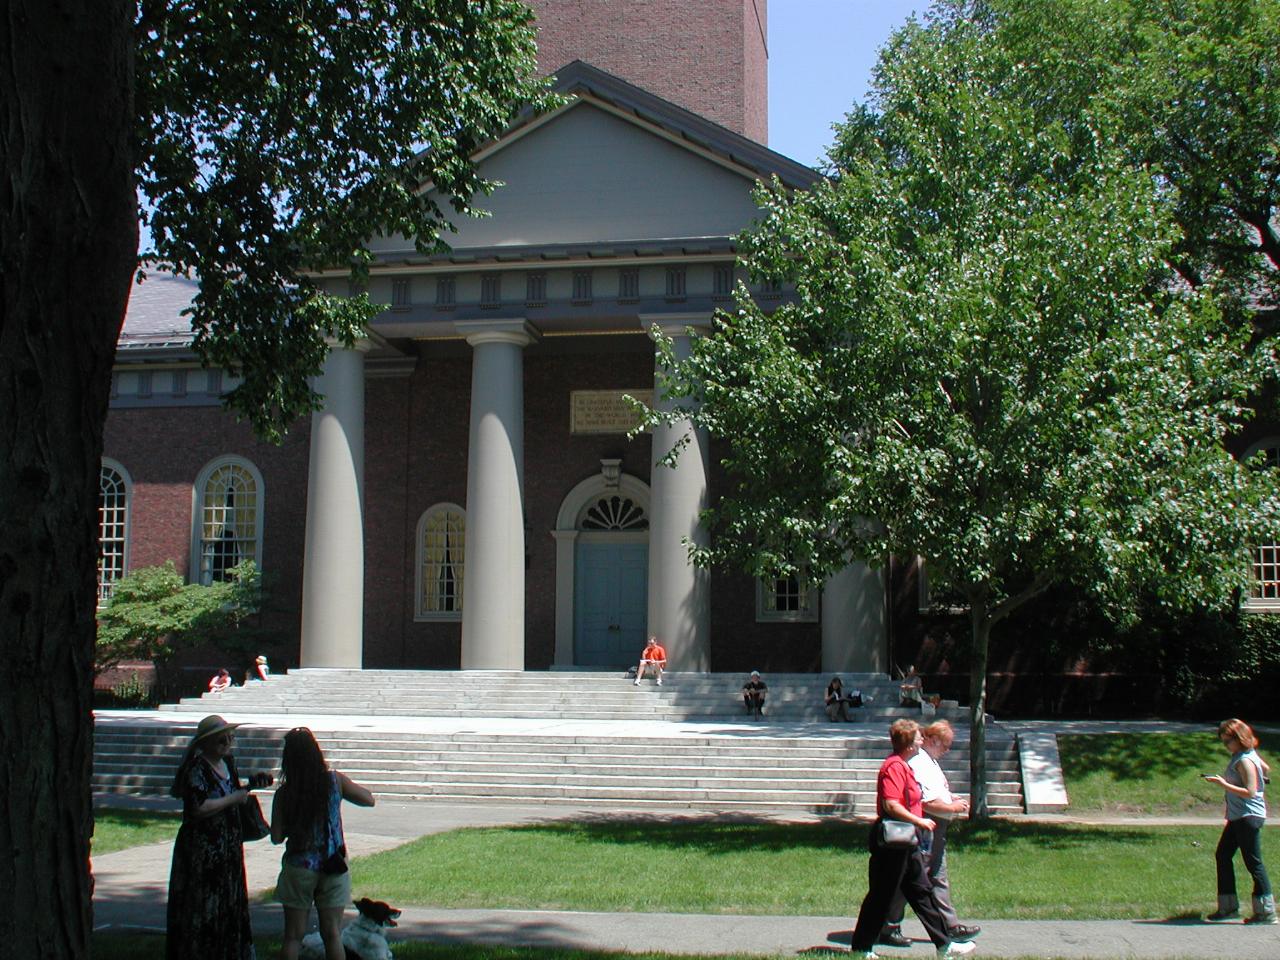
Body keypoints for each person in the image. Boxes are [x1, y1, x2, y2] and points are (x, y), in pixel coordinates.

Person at [849, 718, 975, 960]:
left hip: (907, 840)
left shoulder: (906, 765)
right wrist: (919, 821)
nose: (922, 738)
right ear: (909, 743)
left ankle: (944, 945)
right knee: (881, 895)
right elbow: (891, 804)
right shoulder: (894, 767)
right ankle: (862, 948)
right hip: (893, 841)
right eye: (918, 736)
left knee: (922, 892)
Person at [165, 714, 270, 960]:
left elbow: (232, 794)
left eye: (229, 737)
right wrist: (234, 798)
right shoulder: (196, 769)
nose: (227, 741)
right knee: (203, 907)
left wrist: (251, 786)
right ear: (206, 742)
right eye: (221, 738)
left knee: (229, 904)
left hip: (228, 849)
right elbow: (198, 808)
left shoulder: (228, 764)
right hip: (203, 853)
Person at [272, 726, 377, 960]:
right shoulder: (334, 782)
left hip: (299, 867)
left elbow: (276, 837)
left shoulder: (284, 794)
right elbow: (368, 800)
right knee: (332, 934)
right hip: (333, 865)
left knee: (292, 936)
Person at [880, 721, 981, 946]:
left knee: (936, 876)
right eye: (946, 745)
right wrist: (951, 808)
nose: (948, 750)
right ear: (934, 740)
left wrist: (950, 799)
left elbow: (935, 792)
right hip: (926, 826)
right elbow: (924, 801)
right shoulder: (917, 762)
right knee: (913, 879)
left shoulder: (929, 761)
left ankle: (950, 926)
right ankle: (888, 925)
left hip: (935, 827)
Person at [1203, 718, 1275, 924]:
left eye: (1228, 742)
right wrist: (1260, 776)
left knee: (1254, 862)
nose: (1225, 746)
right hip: (1238, 816)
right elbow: (1266, 768)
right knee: (1223, 855)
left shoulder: (1244, 760)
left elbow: (1250, 792)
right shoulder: (1245, 755)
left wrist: (1223, 784)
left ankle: (1266, 912)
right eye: (1223, 742)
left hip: (1247, 815)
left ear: (1239, 738)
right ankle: (1228, 907)